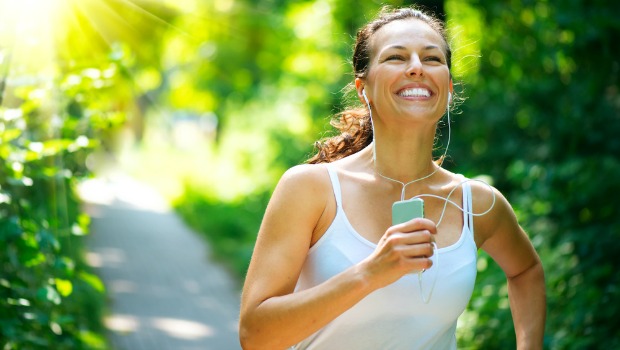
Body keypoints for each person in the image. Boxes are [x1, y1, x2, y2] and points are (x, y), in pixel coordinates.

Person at [239, 6, 546, 350]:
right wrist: (370, 272)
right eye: (396, 57)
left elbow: (527, 271)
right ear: (363, 88)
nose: (416, 67)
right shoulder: (311, 189)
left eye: (431, 59)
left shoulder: (476, 203)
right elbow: (255, 336)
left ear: (447, 87)